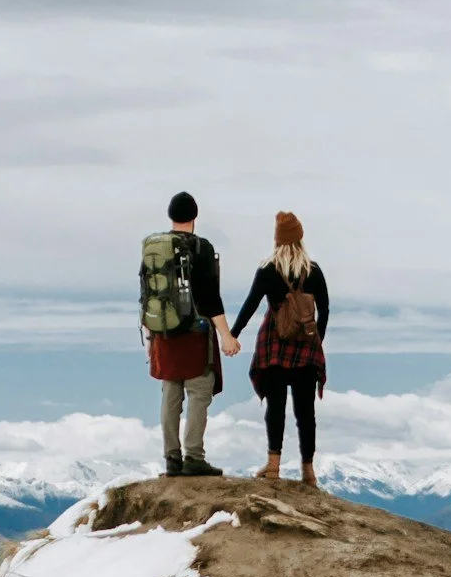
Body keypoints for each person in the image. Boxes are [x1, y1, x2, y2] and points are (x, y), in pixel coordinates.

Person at [139, 191, 238, 476]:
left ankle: (172, 458)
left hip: (163, 333)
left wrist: (150, 338)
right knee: (198, 391)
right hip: (195, 334)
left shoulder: (154, 248)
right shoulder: (201, 248)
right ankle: (194, 456)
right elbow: (209, 298)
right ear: (194, 217)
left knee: (170, 393)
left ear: (171, 216)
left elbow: (147, 296)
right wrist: (226, 336)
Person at [231, 210, 330, 485]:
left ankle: (273, 467)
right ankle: (308, 472)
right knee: (305, 412)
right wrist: (315, 340)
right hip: (306, 349)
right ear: (300, 238)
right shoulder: (314, 270)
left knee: (275, 407)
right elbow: (325, 309)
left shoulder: (267, 269)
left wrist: (233, 335)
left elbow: (250, 305)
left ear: (277, 240)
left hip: (274, 346)